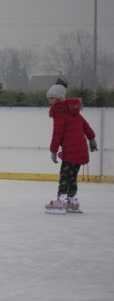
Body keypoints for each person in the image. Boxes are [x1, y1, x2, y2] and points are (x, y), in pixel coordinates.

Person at [44, 78, 98, 214]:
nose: (49, 101)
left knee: (64, 176)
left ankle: (61, 201)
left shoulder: (59, 114)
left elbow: (57, 134)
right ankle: (72, 202)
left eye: (51, 98)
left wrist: (53, 151)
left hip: (71, 152)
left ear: (57, 99)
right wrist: (92, 140)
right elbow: (86, 126)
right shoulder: (74, 113)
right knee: (72, 177)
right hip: (81, 151)